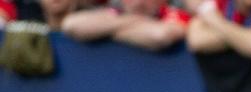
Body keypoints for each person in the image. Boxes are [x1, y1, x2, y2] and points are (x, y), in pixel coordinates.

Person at [62, 0, 190, 51]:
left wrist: (106, 31)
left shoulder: (177, 14)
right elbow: (70, 25)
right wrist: (133, 22)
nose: (139, 2)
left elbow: (161, 36)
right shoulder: (117, 13)